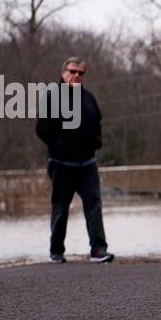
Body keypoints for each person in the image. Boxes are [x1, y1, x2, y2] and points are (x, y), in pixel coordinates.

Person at [35, 56, 114, 263]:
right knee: (61, 207)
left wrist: (96, 143)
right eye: (72, 71)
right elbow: (42, 129)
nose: (76, 75)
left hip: (87, 163)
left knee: (93, 204)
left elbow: (98, 124)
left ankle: (98, 250)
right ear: (63, 73)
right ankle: (56, 251)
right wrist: (60, 145)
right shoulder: (52, 97)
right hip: (62, 164)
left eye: (80, 73)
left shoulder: (89, 99)